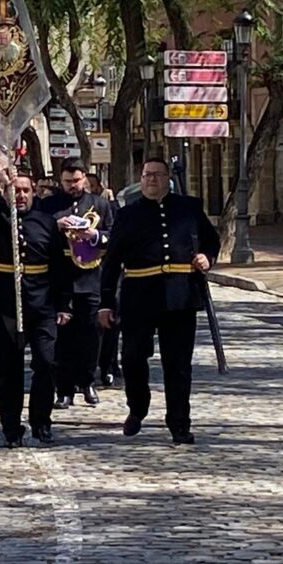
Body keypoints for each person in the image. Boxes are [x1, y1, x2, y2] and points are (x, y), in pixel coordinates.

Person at [97, 158, 220, 445]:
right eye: (147, 175)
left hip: (180, 296)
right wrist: (105, 302)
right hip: (139, 296)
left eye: (157, 175)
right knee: (132, 357)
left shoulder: (189, 208)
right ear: (141, 180)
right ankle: (137, 406)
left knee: (178, 364)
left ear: (168, 178)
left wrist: (207, 257)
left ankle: (179, 423)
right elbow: (112, 262)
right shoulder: (128, 215)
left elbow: (211, 240)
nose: (152, 180)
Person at [0, 168, 72, 447]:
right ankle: (11, 427)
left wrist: (63, 304)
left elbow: (59, 266)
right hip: (4, 302)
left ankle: (41, 421)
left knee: (46, 363)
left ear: (34, 192)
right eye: (15, 191)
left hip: (41, 303)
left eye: (25, 190)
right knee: (8, 368)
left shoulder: (46, 222)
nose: (21, 196)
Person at [46, 158, 114, 409]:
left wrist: (93, 235)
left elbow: (112, 235)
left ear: (84, 178)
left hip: (91, 276)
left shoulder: (100, 204)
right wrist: (56, 225)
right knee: (62, 337)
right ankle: (63, 388)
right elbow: (39, 233)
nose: (72, 186)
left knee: (90, 334)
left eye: (76, 180)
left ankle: (87, 381)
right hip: (61, 276)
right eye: (67, 181)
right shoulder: (50, 205)